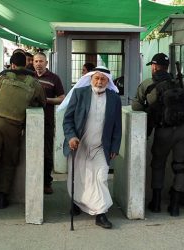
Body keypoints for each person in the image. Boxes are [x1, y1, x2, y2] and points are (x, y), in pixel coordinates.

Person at [0, 52, 46, 209]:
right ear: (27, 64)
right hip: (14, 127)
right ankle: (3, 198)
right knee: (9, 162)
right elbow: (42, 103)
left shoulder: (4, 77)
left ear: (13, 65)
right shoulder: (34, 83)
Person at [131, 53, 184, 217]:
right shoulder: (179, 83)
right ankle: (174, 207)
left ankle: (156, 203)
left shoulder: (147, 84)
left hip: (163, 130)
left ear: (153, 66)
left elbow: (136, 107)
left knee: (158, 164)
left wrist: (152, 110)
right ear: (167, 67)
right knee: (180, 166)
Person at [62, 66, 121, 229]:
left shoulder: (114, 99)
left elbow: (117, 125)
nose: (99, 82)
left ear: (108, 81)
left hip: (101, 146)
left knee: (101, 178)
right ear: (90, 79)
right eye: (96, 78)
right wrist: (71, 136)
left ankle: (101, 213)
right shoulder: (79, 94)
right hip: (79, 145)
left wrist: (115, 145)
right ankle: (77, 202)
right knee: (79, 178)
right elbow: (67, 120)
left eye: (103, 79)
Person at [33, 52, 65, 194]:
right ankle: (33, 181)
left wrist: (47, 101)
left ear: (46, 63)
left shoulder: (54, 78)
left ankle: (47, 182)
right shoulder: (29, 77)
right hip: (30, 121)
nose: (38, 63)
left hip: (47, 121)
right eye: (36, 61)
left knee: (46, 153)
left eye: (41, 61)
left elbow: (62, 98)